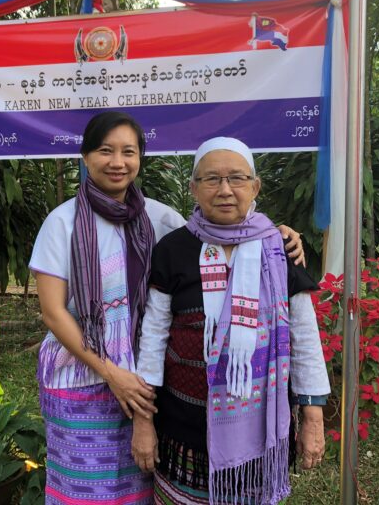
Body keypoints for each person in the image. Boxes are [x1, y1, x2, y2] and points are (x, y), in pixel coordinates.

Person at [29, 114, 306, 504]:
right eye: (105, 150)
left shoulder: (159, 218)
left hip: (146, 378)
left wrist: (278, 234)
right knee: (84, 486)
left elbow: (220, 232)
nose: (117, 162)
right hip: (83, 374)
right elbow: (53, 312)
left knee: (141, 480)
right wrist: (110, 373)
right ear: (86, 156)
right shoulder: (62, 222)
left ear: (141, 158)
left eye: (128, 151)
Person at [131, 137, 330, 505]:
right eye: (211, 179)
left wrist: (313, 418)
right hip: (184, 430)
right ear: (193, 188)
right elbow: (153, 339)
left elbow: (304, 336)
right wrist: (143, 421)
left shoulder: (279, 248)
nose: (225, 190)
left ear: (255, 187)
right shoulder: (172, 250)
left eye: (237, 178)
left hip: (259, 435)